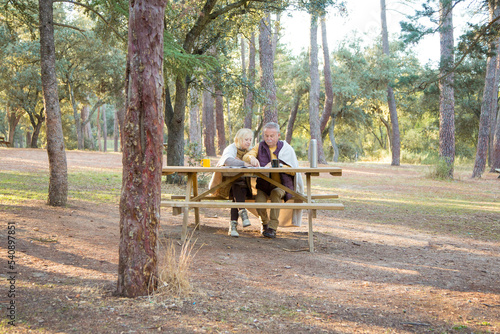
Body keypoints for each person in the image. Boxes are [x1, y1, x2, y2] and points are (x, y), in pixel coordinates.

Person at [243, 122, 302, 238]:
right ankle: (264, 223)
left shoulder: (286, 148)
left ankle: (272, 227)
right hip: (264, 185)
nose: (268, 139)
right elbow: (246, 156)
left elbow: (294, 171)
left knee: (275, 194)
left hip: (282, 185)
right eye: (266, 136)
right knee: (259, 201)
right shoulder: (259, 146)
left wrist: (279, 166)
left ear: (278, 135)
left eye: (272, 136)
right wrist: (251, 158)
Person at [209, 128, 254, 237]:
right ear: (239, 139)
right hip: (225, 186)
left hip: (246, 186)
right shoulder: (231, 148)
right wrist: (244, 163)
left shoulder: (251, 150)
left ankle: (233, 226)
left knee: (237, 189)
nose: (248, 142)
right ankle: (242, 213)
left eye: (250, 139)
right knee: (236, 186)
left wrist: (239, 162)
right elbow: (228, 160)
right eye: (246, 139)